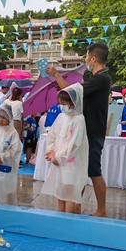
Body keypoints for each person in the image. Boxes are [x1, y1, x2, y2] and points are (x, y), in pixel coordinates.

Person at [46, 42, 111, 217]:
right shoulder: (97, 79)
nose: (86, 60)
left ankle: (101, 210)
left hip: (93, 132)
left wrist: (56, 74)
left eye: (87, 57)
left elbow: (71, 92)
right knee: (80, 169)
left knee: (93, 170)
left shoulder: (101, 79)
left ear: (93, 58)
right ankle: (75, 205)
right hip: (88, 132)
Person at [41, 84, 88, 214]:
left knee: (69, 193)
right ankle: (60, 216)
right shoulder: (61, 117)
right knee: (60, 190)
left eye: (64, 103)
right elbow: (52, 135)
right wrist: (51, 150)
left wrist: (59, 157)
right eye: (60, 103)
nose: (62, 106)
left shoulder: (79, 119)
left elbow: (75, 144)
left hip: (70, 163)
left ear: (73, 103)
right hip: (58, 161)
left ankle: (67, 218)